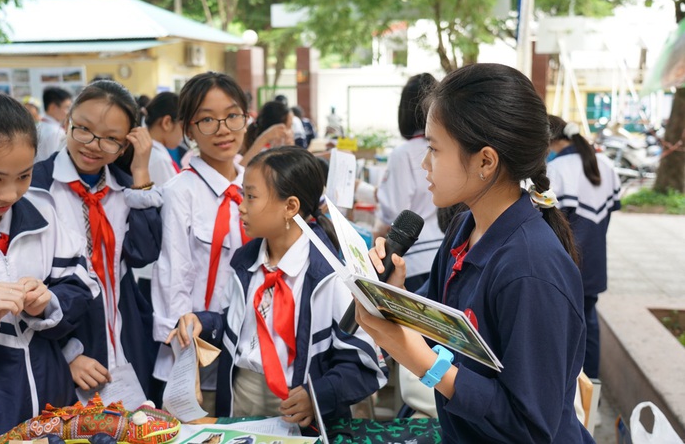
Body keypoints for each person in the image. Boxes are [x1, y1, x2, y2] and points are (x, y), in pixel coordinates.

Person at [356, 63, 594, 443]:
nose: (424, 163)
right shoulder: (462, 230)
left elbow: (531, 429)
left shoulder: (530, 270)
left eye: (434, 148)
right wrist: (396, 299)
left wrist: (419, 359)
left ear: (485, 161)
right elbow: (440, 330)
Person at [167, 146, 387, 423]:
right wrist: (204, 323)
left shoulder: (330, 276)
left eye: (251, 196)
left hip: (298, 406)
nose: (241, 205)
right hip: (242, 394)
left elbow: (362, 362)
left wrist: (317, 395)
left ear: (290, 206)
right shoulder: (245, 263)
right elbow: (237, 325)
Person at [0, 92, 98, 443]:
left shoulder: (43, 211)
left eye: (24, 175)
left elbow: (82, 283)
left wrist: (49, 301)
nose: (10, 194)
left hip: (54, 409)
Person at [29, 80, 161, 397]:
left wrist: (141, 172)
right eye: (83, 129)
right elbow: (26, 280)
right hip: (65, 342)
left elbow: (144, 252)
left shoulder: (125, 189)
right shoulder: (36, 187)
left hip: (125, 337)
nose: (92, 144)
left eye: (111, 139)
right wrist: (67, 353)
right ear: (68, 121)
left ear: (126, 144)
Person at [151, 71, 252, 415]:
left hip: (252, 357)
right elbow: (174, 273)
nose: (223, 129)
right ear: (188, 129)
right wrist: (184, 355)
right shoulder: (181, 191)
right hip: (199, 355)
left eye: (232, 115)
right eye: (207, 119)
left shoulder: (256, 183)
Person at [547, 115, 621, 379]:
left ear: (549, 140)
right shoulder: (605, 164)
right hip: (595, 263)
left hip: (567, 266)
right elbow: (610, 212)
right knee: (589, 324)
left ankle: (575, 399)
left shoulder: (556, 171)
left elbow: (549, 224)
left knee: (565, 332)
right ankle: (593, 398)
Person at [375, 73, 445, 293]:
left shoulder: (403, 153)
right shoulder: (446, 149)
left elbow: (395, 212)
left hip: (409, 260)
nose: (426, 163)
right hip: (441, 252)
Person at [144, 91, 182, 187]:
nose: (184, 134)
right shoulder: (159, 160)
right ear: (167, 123)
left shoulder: (149, 151)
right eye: (183, 126)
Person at [240, 100, 293, 166]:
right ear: (276, 129)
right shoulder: (261, 153)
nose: (291, 132)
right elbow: (241, 170)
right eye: (288, 127)